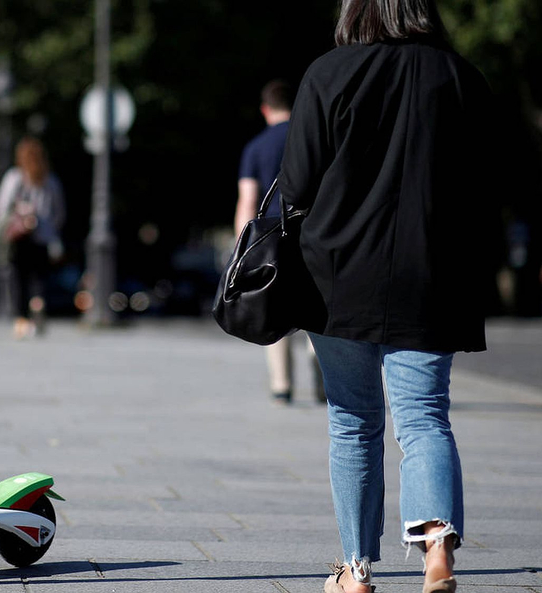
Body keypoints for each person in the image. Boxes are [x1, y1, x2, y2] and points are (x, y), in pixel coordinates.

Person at [278, 2, 494, 592]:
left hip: (336, 277)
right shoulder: (461, 77)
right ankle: (436, 551)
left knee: (352, 420)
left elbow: (295, 184)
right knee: (425, 417)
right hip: (432, 274)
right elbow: (490, 183)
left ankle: (355, 569)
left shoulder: (328, 73)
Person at [235, 79, 324, 406]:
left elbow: (248, 200)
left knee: (274, 307)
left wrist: (242, 246)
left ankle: (282, 385)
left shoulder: (256, 147)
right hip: (312, 234)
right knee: (315, 308)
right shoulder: (313, 141)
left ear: (265, 109)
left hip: (272, 239)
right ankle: (323, 379)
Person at [0, 136, 65, 339]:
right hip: (42, 239)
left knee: (17, 279)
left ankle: (21, 321)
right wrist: (49, 230)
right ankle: (38, 306)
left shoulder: (15, 177)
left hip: (18, 239)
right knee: (38, 279)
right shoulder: (51, 180)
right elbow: (59, 213)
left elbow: (1, 209)